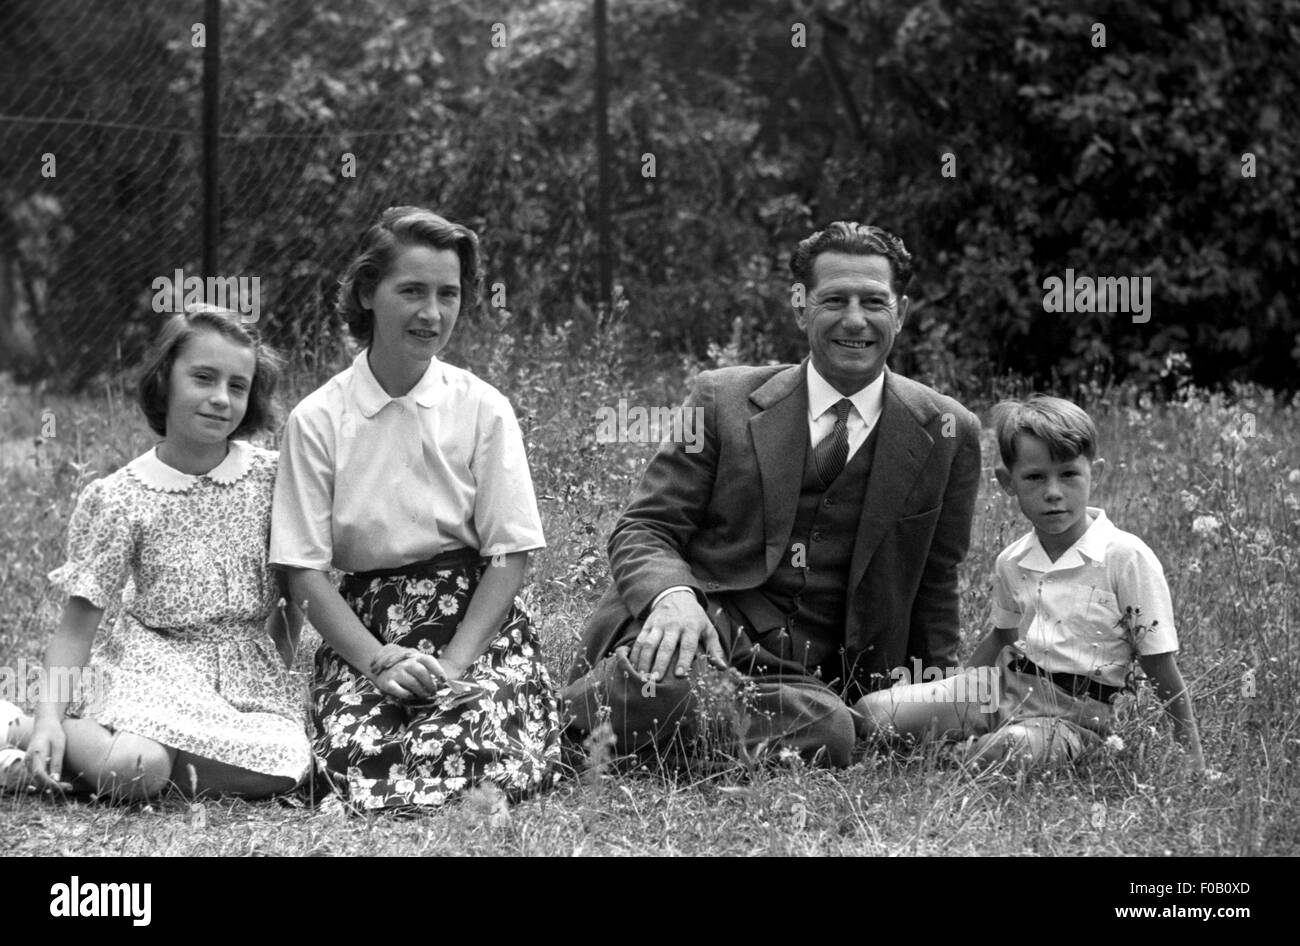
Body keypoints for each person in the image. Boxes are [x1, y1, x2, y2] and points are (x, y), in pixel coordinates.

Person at [562, 221, 982, 767]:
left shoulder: (949, 430)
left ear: (899, 313)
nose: (854, 319)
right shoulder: (723, 399)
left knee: (832, 732)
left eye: (873, 302)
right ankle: (563, 722)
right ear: (801, 306)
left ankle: (613, 729)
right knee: (670, 671)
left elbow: (936, 580)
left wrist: (935, 694)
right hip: (704, 624)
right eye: (835, 299)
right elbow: (646, 527)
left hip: (806, 681)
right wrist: (674, 598)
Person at [271, 206, 561, 811]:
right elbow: (302, 570)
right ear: (368, 293)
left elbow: (510, 554)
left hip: (475, 624)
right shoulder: (318, 420)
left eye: (448, 294)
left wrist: (456, 663)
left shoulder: (483, 408)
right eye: (411, 291)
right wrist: (377, 662)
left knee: (479, 734)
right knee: (354, 752)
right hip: (367, 628)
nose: (432, 314)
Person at [0, 306, 313, 800]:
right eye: (203, 378)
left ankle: (119, 766)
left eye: (237, 385)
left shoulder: (273, 479)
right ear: (165, 380)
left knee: (284, 769)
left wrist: (279, 675)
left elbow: (293, 600)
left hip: (245, 678)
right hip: (154, 664)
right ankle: (21, 730)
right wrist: (47, 719)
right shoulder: (124, 496)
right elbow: (77, 626)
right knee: (136, 767)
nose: (220, 399)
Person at [858, 395, 1208, 772]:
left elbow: (1158, 662)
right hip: (1003, 688)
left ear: (1097, 473)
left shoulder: (1125, 558)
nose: (1054, 492)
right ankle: (958, 738)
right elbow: (1002, 637)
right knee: (874, 712)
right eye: (1036, 477)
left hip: (1075, 717)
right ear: (1008, 483)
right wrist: (955, 691)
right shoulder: (1012, 561)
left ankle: (959, 755)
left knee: (1008, 750)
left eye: (1069, 474)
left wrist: (1192, 755)